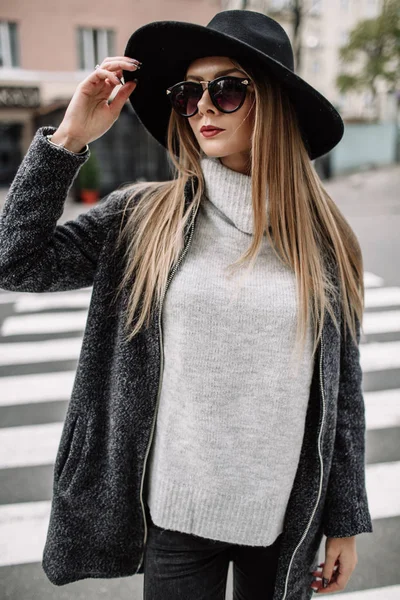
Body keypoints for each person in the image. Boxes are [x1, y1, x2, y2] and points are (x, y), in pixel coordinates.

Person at [0, 9, 373, 600]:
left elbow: (341, 394)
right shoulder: (145, 216)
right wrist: (69, 138)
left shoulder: (322, 238)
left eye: (225, 90)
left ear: (273, 102)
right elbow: (14, 259)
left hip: (284, 517)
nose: (201, 107)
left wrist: (345, 522)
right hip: (177, 513)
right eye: (186, 93)